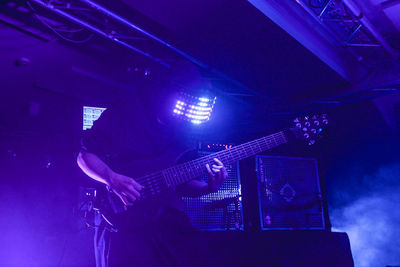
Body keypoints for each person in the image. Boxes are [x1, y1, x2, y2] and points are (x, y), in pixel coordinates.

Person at [77, 65, 228, 266]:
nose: (186, 109)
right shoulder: (128, 109)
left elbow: (182, 185)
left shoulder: (184, 129)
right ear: (166, 92)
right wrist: (112, 178)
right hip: (123, 221)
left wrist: (209, 187)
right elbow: (84, 156)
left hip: (168, 222)